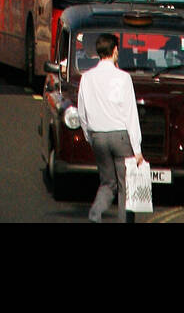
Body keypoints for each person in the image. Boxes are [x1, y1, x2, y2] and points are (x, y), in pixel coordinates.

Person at [76, 33, 144, 223]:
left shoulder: (87, 78)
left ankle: (95, 215)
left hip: (98, 136)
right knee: (126, 187)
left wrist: (89, 136)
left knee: (107, 183)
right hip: (121, 137)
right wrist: (137, 149)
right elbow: (130, 115)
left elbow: (82, 112)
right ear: (115, 51)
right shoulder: (123, 78)